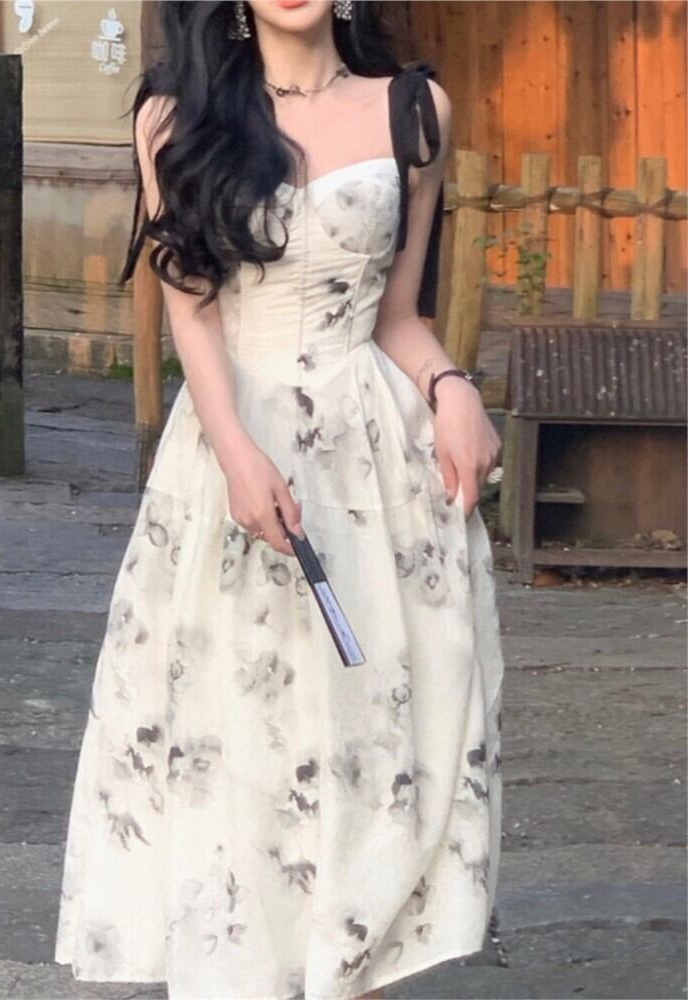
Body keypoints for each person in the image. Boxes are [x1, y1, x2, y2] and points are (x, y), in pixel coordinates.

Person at [54, 2, 505, 999]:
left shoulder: (414, 112)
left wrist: (452, 388)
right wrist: (236, 451)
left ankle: (353, 969)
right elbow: (194, 316)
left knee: (373, 741)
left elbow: (398, 315)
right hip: (229, 457)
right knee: (241, 746)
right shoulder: (176, 119)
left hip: (373, 476)